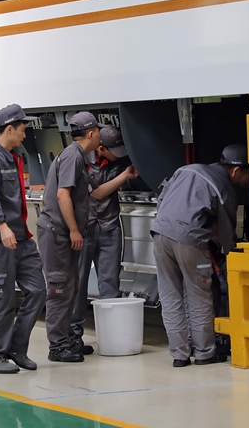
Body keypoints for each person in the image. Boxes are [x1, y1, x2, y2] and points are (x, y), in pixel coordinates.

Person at [151, 145, 249, 367]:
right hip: (189, 239)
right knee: (199, 295)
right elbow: (226, 232)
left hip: (160, 233)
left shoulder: (186, 170)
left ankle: (179, 355)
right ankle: (205, 353)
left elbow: (162, 200)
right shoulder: (223, 187)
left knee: (170, 296)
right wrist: (232, 253)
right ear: (236, 170)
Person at [0, 104, 46, 375]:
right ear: (9, 129)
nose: (25, 135)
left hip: (21, 239)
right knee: (2, 299)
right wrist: (2, 225)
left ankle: (16, 348)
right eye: (22, 130)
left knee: (38, 290)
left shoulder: (14, 157)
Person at [37, 111, 101, 363]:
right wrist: (74, 230)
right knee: (59, 288)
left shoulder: (75, 155)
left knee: (69, 288)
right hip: (57, 234)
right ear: (91, 133)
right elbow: (63, 195)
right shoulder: (74, 156)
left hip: (61, 233)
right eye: (98, 132)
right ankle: (58, 347)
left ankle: (67, 339)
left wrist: (123, 177)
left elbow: (91, 194)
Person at [69, 126, 138, 355]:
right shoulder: (80, 161)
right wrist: (124, 176)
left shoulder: (121, 160)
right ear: (100, 147)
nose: (118, 155)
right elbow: (96, 193)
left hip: (109, 228)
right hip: (85, 228)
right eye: (113, 150)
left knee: (110, 284)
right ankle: (73, 337)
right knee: (78, 285)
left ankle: (113, 337)